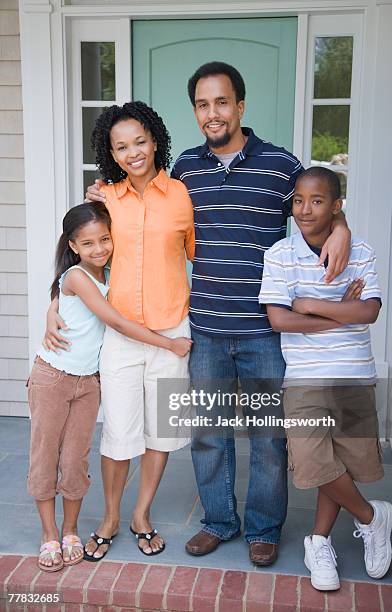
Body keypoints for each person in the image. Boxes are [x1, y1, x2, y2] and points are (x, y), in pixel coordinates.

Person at [84, 62, 351, 566]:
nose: (213, 113)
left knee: (269, 438)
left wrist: (340, 226)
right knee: (209, 434)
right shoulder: (184, 170)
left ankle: (264, 528)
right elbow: (136, 210)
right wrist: (100, 191)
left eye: (222, 102)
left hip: (264, 328)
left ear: (240, 106)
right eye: (203, 105)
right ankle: (219, 521)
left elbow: (318, 202)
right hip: (203, 326)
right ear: (195, 112)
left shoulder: (279, 165)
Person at [44, 101, 195, 560]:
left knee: (161, 435)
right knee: (119, 434)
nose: (133, 153)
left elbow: (198, 258)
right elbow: (79, 258)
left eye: (140, 142)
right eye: (121, 146)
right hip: (121, 338)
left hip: (173, 332)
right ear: (110, 152)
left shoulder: (181, 195)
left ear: (156, 140)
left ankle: (141, 515)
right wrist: (55, 301)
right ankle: (110, 516)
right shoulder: (103, 199)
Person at [31, 202, 191, 572]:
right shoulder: (77, 276)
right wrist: (168, 344)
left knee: (77, 457)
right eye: (88, 243)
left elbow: (71, 294)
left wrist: (52, 306)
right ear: (73, 245)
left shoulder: (112, 273)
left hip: (89, 381)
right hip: (56, 376)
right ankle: (52, 532)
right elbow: (112, 320)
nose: (100, 248)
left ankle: (82, 527)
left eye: (105, 239)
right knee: (48, 455)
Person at [259, 166, 392, 590]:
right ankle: (373, 517)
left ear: (337, 206)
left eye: (317, 201)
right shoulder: (280, 254)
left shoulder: (362, 251)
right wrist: (339, 311)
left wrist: (310, 304)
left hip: (353, 374)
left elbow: (369, 312)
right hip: (304, 377)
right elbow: (279, 318)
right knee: (315, 461)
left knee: (342, 461)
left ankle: (318, 541)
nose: (304, 209)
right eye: (298, 200)